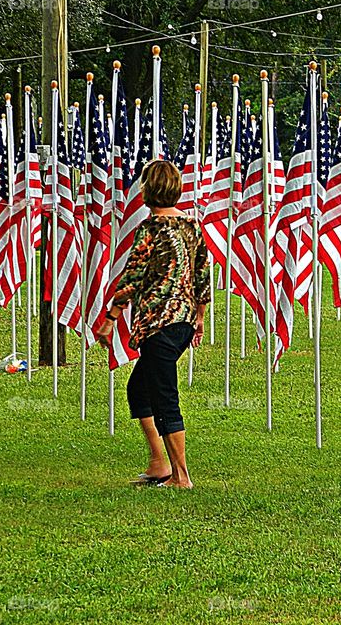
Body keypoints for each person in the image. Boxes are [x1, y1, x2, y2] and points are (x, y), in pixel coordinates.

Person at [97, 159, 210, 489]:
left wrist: (111, 319)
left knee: (163, 396)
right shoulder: (192, 226)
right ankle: (159, 464)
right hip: (184, 322)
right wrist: (199, 318)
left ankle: (181, 476)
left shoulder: (150, 229)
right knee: (139, 389)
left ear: (149, 189)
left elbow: (133, 277)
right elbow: (203, 274)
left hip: (159, 324)